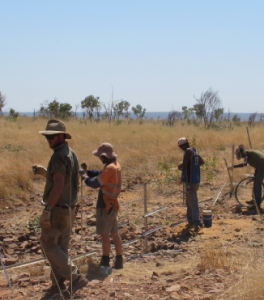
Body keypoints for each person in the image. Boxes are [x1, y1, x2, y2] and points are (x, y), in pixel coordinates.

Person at [32, 119, 88, 297]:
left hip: (57, 209)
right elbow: (66, 179)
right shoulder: (71, 153)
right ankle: (58, 283)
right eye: (47, 136)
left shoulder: (58, 156)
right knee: (61, 247)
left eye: (52, 136)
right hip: (69, 208)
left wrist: (47, 210)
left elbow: (58, 184)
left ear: (61, 136)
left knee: (48, 245)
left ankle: (75, 277)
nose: (49, 140)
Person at [80, 143, 123, 269]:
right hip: (113, 204)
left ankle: (105, 262)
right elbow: (101, 174)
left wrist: (84, 176)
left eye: (100, 156)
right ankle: (119, 261)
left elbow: (95, 183)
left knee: (105, 235)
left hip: (105, 205)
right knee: (115, 233)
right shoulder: (115, 165)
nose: (99, 158)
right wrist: (89, 172)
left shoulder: (109, 168)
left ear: (104, 156)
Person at [177, 137, 204, 232]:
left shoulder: (188, 151)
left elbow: (184, 165)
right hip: (195, 179)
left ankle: (197, 222)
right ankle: (191, 222)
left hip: (190, 180)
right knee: (189, 202)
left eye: (180, 147)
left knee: (192, 202)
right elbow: (201, 162)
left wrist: (179, 167)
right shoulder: (194, 150)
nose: (181, 149)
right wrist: (193, 167)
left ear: (183, 145)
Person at [229, 144, 264, 210]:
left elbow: (244, 164)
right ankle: (254, 200)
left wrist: (234, 166)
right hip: (260, 166)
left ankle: (257, 205)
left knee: (258, 184)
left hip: (262, 166)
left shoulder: (246, 154)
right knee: (255, 182)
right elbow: (257, 162)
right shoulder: (248, 152)